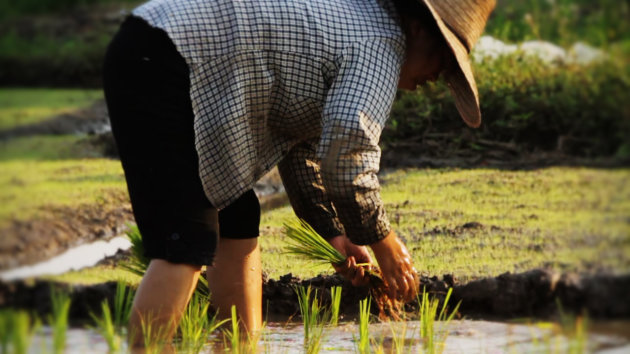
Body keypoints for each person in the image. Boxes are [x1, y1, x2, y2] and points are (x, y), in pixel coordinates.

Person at [102, 0, 495, 348]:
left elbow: (303, 152)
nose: (438, 77)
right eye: (444, 58)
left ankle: (239, 346)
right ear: (417, 27)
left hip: (158, 48)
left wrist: (335, 234)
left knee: (236, 214)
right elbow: (347, 152)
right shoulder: (382, 43)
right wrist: (383, 242)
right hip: (166, 58)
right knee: (186, 237)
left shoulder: (357, 20)